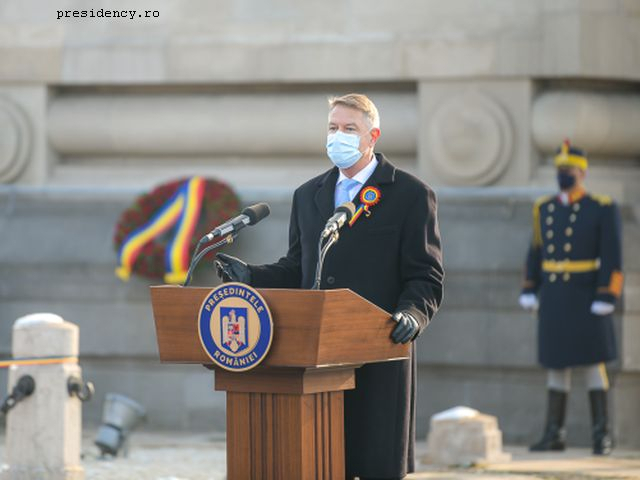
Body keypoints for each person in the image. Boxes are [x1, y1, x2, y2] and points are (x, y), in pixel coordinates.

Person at [215, 93, 444, 479]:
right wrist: (253, 277)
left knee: (374, 461)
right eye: (333, 128)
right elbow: (297, 267)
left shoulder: (409, 194)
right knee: (322, 459)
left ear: (373, 136)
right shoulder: (309, 195)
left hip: (378, 350)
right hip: (317, 357)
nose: (339, 136)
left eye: (349, 129)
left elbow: (426, 274)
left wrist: (413, 313)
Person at [519, 140, 623, 455]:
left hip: (588, 295)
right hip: (555, 296)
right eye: (561, 170)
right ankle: (554, 434)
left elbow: (612, 255)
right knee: (556, 363)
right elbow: (535, 253)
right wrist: (529, 287)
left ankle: (601, 435)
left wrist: (607, 294)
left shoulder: (602, 207)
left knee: (594, 364)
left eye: (570, 170)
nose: (564, 175)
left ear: (583, 172)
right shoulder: (545, 208)